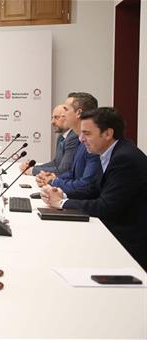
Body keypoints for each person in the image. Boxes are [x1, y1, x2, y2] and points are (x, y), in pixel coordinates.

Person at [41, 107, 147, 270]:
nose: (81, 139)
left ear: (108, 134)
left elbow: (106, 206)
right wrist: (63, 193)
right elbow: (95, 192)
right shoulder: (111, 152)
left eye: (87, 133)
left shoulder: (124, 158)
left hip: (129, 244)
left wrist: (62, 203)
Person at [35, 92, 101, 197]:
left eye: (65, 110)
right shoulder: (81, 139)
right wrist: (54, 178)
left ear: (78, 113)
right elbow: (73, 173)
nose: (63, 115)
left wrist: (54, 182)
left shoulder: (93, 143)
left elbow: (86, 185)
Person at [20, 104, 78, 176]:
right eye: (52, 118)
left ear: (67, 118)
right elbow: (56, 163)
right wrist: (32, 167)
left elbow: (63, 170)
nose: (52, 122)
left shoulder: (73, 137)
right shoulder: (61, 136)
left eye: (56, 117)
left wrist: (32, 171)